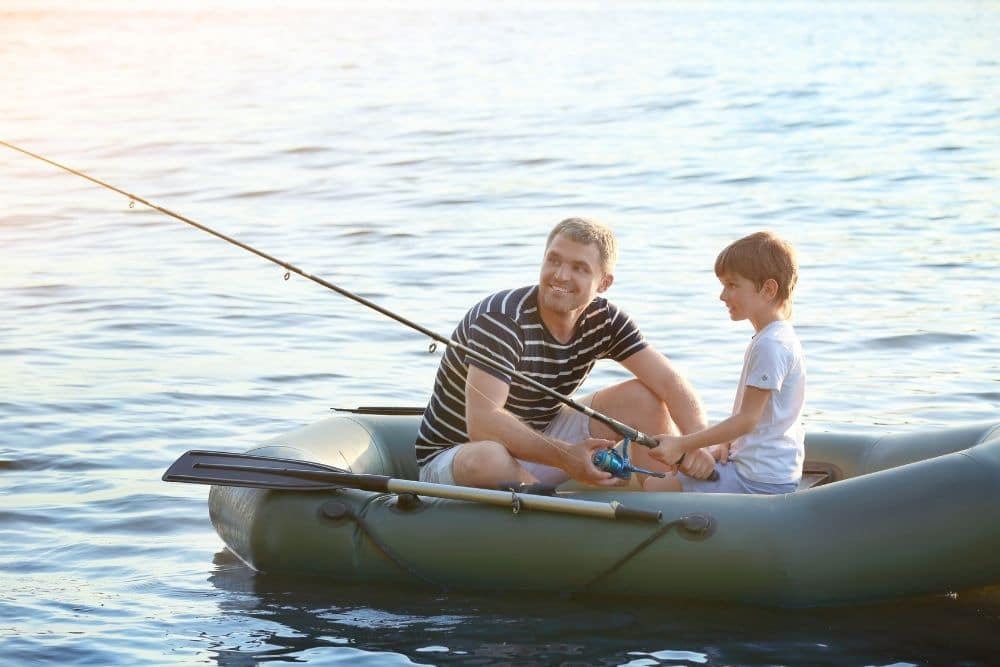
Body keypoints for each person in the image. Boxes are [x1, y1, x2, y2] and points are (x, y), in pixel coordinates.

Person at [415, 217, 711, 489]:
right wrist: (566, 456)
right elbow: (483, 424)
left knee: (643, 397)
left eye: (579, 268)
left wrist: (699, 442)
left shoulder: (605, 320)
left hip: (540, 438)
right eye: (553, 260)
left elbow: (670, 382)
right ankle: (549, 508)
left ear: (604, 283)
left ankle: (668, 505)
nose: (560, 275)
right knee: (489, 457)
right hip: (458, 456)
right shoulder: (502, 319)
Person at [646, 230, 805, 494]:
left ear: (768, 289)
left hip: (757, 479)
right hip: (769, 470)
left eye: (732, 285)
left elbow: (747, 420)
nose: (722, 295)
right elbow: (760, 419)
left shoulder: (771, 344)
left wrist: (682, 444)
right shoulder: (776, 336)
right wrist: (728, 444)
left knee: (653, 487)